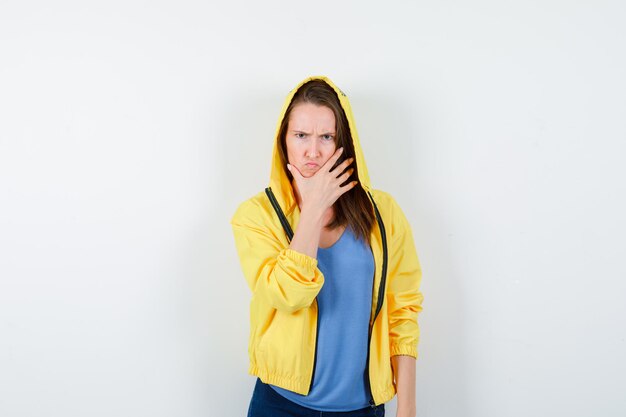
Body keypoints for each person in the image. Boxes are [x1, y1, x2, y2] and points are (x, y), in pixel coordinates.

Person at [230, 75, 424, 417]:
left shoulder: (383, 213)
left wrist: (406, 407)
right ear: (284, 140)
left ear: (342, 143)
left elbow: (401, 310)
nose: (312, 151)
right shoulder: (256, 216)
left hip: (362, 409)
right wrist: (313, 209)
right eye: (301, 135)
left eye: (326, 137)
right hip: (280, 405)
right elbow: (286, 296)